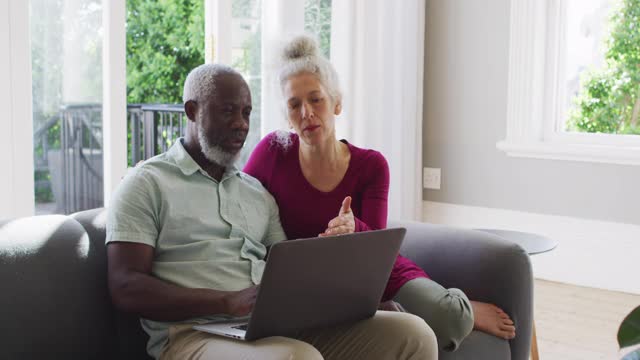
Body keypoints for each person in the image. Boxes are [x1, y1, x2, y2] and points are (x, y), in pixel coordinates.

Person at [106, 63, 438, 360]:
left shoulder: (257, 194)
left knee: (412, 334)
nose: (240, 124)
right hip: (192, 336)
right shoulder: (146, 183)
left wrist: (352, 306)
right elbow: (125, 284)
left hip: (270, 330)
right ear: (192, 111)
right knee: (297, 357)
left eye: (247, 113)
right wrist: (225, 302)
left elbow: (290, 274)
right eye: (228, 111)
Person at [244, 35, 516, 352]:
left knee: (451, 319)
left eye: (316, 99)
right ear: (286, 115)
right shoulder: (271, 153)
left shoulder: (371, 165)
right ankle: (395, 312)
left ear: (337, 102)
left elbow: (376, 244)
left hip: (375, 273)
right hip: (312, 286)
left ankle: (459, 303)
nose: (306, 112)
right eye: (294, 104)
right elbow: (241, 203)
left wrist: (352, 228)